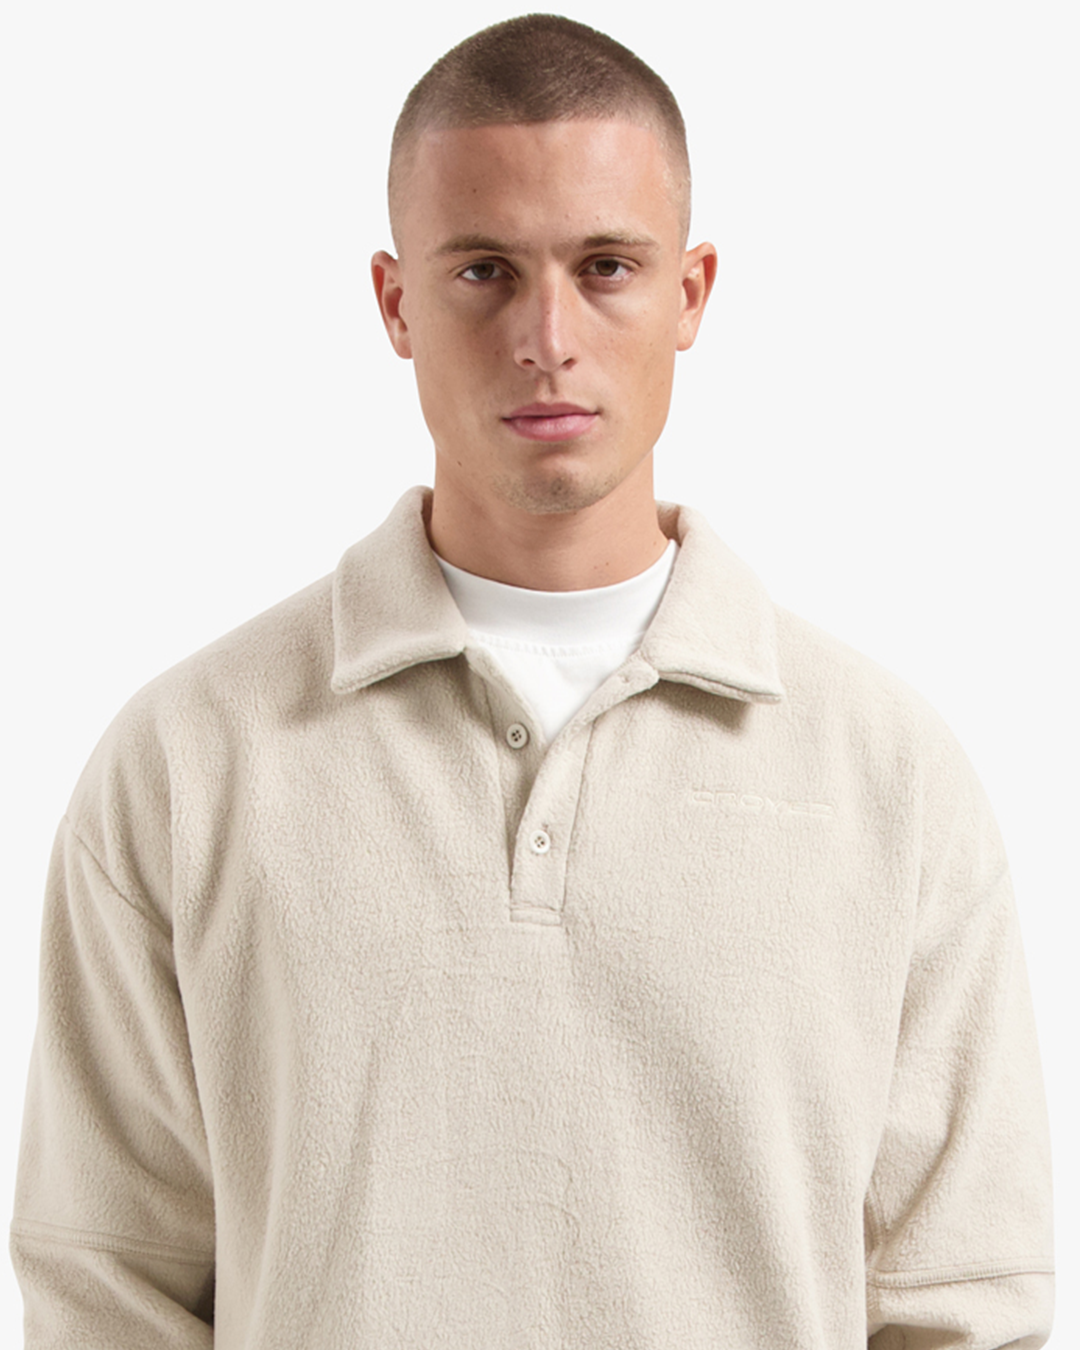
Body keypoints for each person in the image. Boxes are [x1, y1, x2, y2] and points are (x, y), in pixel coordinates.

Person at [9, 14, 1054, 1348]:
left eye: (606, 267)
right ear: (396, 302)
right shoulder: (186, 762)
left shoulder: (890, 775)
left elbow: (962, 1302)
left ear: (692, 293)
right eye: (484, 271)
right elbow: (107, 1288)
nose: (546, 335)